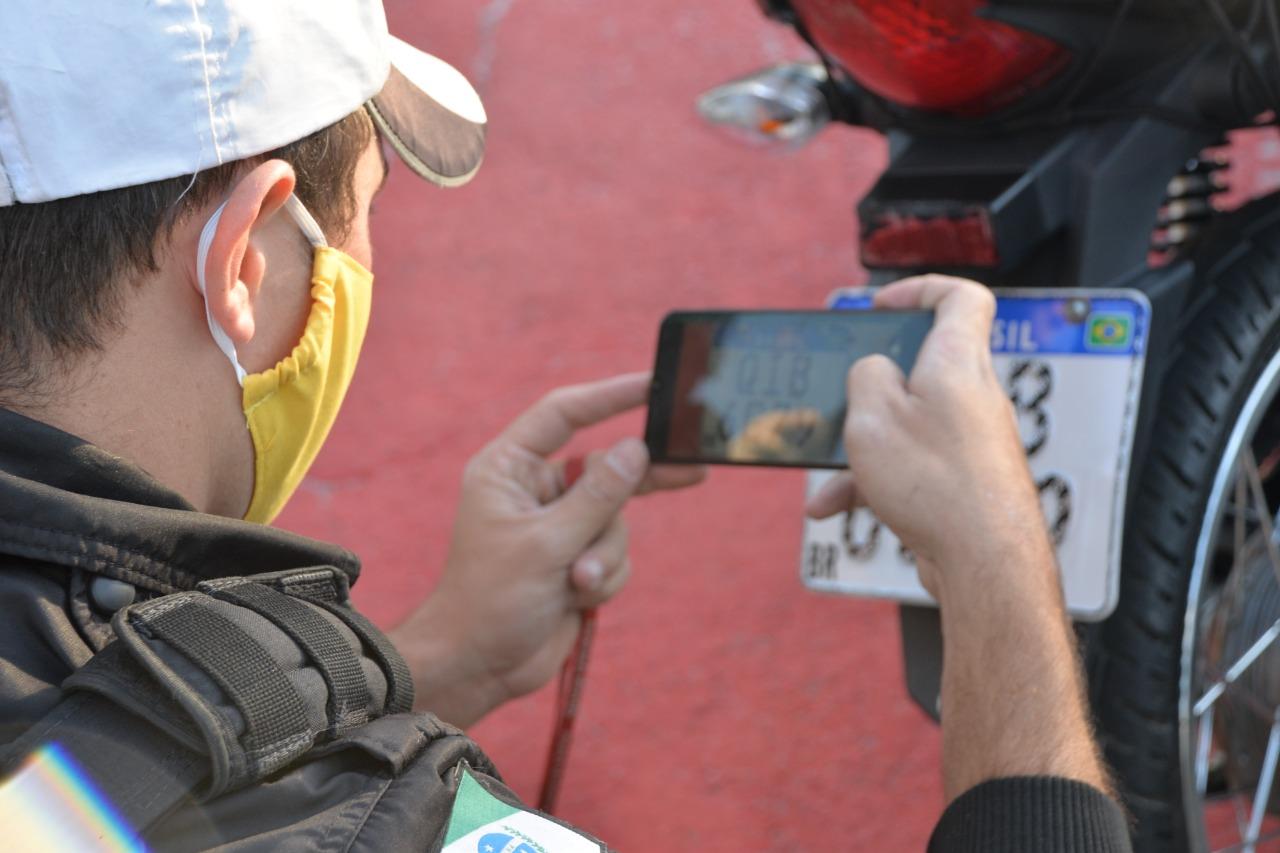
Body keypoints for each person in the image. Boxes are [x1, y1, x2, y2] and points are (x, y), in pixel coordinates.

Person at [0, 2, 1130, 850]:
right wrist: (999, 567)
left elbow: (67, 813)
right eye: (366, 215)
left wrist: (447, 655)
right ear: (244, 259)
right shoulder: (399, 825)